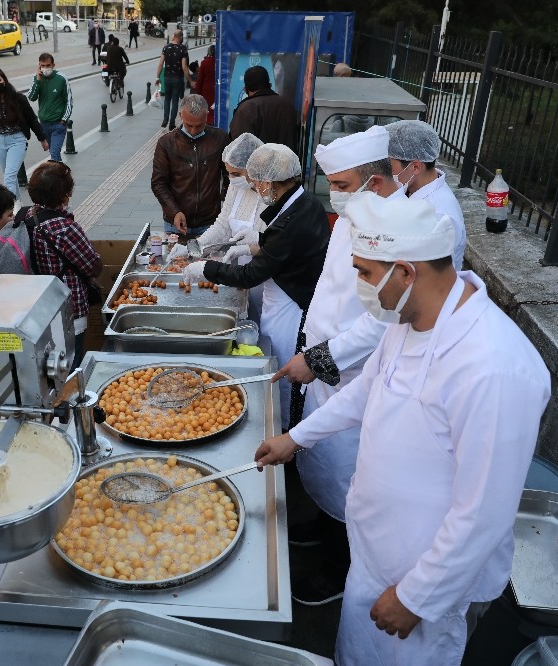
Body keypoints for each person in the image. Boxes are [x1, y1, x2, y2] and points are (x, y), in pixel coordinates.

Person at [255, 194, 551, 665]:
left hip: (429, 581)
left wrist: (417, 596)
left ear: (406, 272)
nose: (359, 286)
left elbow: (483, 512)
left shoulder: (494, 368)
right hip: (376, 550)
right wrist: (297, 437)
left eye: (365, 273)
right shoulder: (407, 318)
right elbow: (365, 390)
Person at [272, 126, 401, 606]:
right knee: (320, 460)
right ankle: (321, 523)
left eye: (343, 186)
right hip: (323, 363)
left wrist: (321, 357)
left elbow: (381, 322)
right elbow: (330, 289)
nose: (336, 196)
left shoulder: (394, 229)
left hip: (353, 373)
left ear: (374, 179)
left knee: (349, 475)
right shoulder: (351, 218)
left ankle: (340, 568)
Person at [182, 143, 329, 430]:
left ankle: (283, 424)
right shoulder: (304, 202)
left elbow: (250, 276)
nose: (255, 186)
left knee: (284, 365)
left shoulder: (291, 219)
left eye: (257, 181)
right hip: (286, 291)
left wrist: (206, 269)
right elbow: (281, 246)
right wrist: (256, 243)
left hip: (290, 302)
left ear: (270, 181)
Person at [170, 132, 267, 319]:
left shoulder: (268, 196)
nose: (232, 178)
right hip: (239, 271)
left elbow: (272, 243)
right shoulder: (237, 186)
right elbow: (222, 225)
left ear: (254, 169)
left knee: (260, 317)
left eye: (236, 173)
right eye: (229, 173)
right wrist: (195, 247)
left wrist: (248, 249)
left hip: (263, 273)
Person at [14, 161, 102, 366]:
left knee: (47, 365)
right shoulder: (64, 228)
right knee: (71, 362)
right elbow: (93, 267)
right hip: (68, 307)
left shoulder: (25, 215)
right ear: (64, 196)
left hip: (37, 304)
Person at [386, 119, 466, 270]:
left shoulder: (438, 216)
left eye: (389, 166)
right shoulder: (413, 189)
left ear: (415, 167)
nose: (385, 174)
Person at [151, 94, 230, 240]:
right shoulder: (166, 143)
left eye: (199, 125)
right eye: (189, 125)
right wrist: (174, 211)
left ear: (207, 116)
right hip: (175, 222)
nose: (193, 131)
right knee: (175, 262)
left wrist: (226, 208)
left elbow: (229, 177)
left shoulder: (220, 139)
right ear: (180, 115)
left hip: (211, 222)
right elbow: (158, 183)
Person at [0, 67, 48, 198]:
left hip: (17, 140)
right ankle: (17, 207)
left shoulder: (18, 98)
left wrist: (42, 139)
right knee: (9, 176)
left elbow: (32, 119)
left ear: (4, 80)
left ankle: (9, 210)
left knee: (9, 177)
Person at [229, 65, 299, 152]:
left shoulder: (246, 109)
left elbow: (239, 148)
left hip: (257, 164)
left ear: (246, 89)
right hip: (288, 163)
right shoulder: (289, 106)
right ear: (269, 84)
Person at [28, 52, 73, 163]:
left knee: (54, 154)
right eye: (42, 66)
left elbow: (69, 101)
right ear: (39, 66)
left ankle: (57, 179)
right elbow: (31, 97)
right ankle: (62, 174)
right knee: (54, 155)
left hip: (58, 124)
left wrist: (63, 120)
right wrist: (38, 81)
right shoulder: (36, 78)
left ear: (53, 65)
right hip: (44, 124)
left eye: (48, 65)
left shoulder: (62, 79)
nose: (45, 68)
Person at [155, 29, 190, 131]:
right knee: (175, 101)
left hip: (167, 78)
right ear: (181, 37)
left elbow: (161, 63)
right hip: (178, 78)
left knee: (167, 99)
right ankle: (172, 123)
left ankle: (165, 118)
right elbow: (184, 67)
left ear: (174, 36)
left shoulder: (166, 48)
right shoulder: (183, 49)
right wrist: (190, 80)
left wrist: (157, 77)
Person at [192, 44, 216, 124]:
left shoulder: (205, 63)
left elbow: (200, 79)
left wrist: (197, 93)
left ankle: (207, 125)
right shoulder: (220, 63)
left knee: (206, 109)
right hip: (217, 89)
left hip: (206, 91)